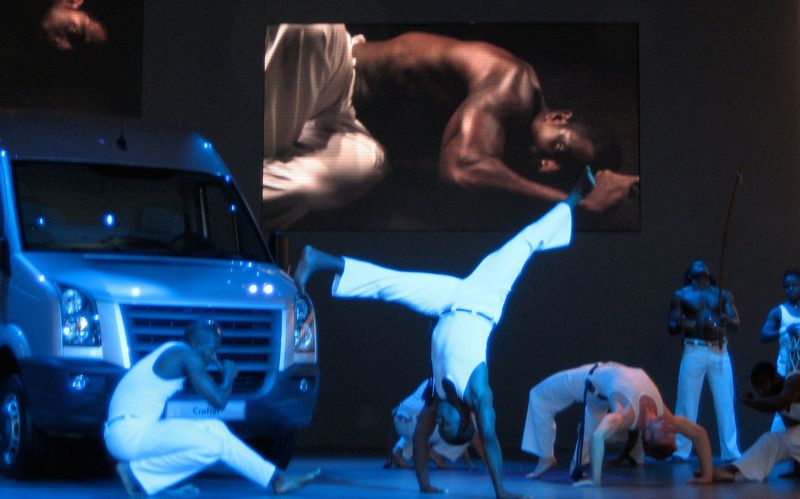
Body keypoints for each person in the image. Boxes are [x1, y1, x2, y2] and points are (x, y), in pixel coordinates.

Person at [294, 182, 591, 498]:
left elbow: (420, 439)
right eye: (447, 426)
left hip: (446, 303)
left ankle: (318, 259)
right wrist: (501, 491)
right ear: (464, 422)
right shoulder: (478, 394)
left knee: (390, 284)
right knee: (524, 243)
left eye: (441, 428)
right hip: (484, 299)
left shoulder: (435, 398)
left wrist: (424, 484)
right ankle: (574, 197)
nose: (439, 423)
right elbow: (489, 439)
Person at [262, 24, 639, 228]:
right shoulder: (514, 86)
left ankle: (235, 193)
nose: (548, 165)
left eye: (561, 169)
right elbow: (460, 169)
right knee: (310, 31)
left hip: (351, 129)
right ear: (558, 117)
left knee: (358, 172)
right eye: (560, 148)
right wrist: (575, 207)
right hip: (333, 65)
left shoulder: (513, 161)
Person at [103, 320, 319, 496]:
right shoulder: (187, 355)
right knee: (213, 447)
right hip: (129, 435)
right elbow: (218, 401)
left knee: (214, 427)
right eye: (212, 349)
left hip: (129, 430)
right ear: (196, 345)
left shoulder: (175, 351)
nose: (214, 356)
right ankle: (135, 472)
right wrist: (229, 377)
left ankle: (276, 480)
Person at [520, 362, 713, 486]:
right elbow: (699, 434)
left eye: (664, 433)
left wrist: (596, 481)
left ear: (647, 435)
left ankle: (546, 456)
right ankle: (574, 466)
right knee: (592, 420)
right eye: (672, 433)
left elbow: (599, 437)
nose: (669, 428)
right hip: (600, 391)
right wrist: (707, 476)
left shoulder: (626, 415)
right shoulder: (666, 417)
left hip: (589, 380)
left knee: (539, 396)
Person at [667, 260, 741, 462]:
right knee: (686, 402)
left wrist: (725, 320)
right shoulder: (681, 295)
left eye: (703, 266)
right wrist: (682, 324)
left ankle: (730, 451)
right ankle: (681, 449)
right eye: (696, 266)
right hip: (694, 349)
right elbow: (671, 325)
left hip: (719, 351)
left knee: (725, 403)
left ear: (709, 273)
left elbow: (736, 323)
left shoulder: (722, 294)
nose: (700, 266)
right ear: (690, 274)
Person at [711, 361, 800, 482]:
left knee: (787, 438)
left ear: (776, 378)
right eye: (758, 388)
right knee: (771, 440)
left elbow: (780, 403)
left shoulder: (794, 380)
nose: (762, 391)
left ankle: (730, 471)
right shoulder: (778, 399)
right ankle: (733, 473)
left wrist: (751, 402)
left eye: (764, 384)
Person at [385, 379, 481, 469]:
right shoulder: (454, 386)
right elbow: (473, 435)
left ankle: (399, 451)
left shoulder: (432, 379)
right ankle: (437, 453)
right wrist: (487, 461)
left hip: (400, 423)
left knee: (422, 420)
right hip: (418, 426)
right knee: (467, 429)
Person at [760, 269, 800, 432]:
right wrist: (784, 330)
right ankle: (773, 443)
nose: (791, 289)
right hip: (786, 370)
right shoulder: (779, 311)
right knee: (783, 411)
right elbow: (764, 334)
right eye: (787, 286)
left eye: (794, 285)